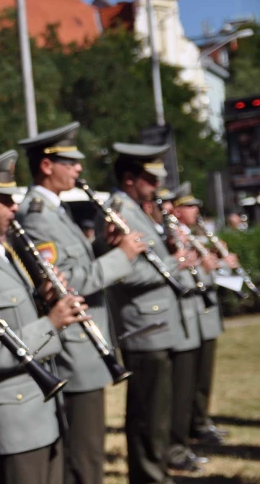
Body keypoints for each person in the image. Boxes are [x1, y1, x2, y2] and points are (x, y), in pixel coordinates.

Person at [14, 123, 146, 484]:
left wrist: (106, 245)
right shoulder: (37, 214)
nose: (78, 169)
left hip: (85, 344)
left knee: (89, 452)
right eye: (70, 161)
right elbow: (63, 283)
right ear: (46, 165)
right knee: (84, 458)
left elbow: (77, 267)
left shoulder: (54, 210)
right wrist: (122, 256)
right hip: (74, 348)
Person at [0, 149, 87, 484]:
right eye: (5, 200)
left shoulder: (2, 252)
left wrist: (45, 300)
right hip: (14, 423)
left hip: (40, 412)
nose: (14, 207)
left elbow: (17, 322)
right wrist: (51, 322)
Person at [93, 143, 189, 484]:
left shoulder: (137, 209)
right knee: (149, 414)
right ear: (130, 179)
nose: (156, 185)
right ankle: (149, 476)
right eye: (149, 178)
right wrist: (176, 265)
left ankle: (156, 471)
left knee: (158, 413)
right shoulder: (117, 210)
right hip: (143, 326)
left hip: (157, 323)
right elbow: (125, 272)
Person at [150, 184, 209, 472]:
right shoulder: (157, 233)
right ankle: (173, 450)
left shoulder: (170, 232)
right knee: (172, 394)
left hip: (184, 317)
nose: (170, 210)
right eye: (165, 204)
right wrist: (178, 258)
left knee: (184, 390)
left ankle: (179, 446)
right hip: (167, 320)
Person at [171, 183, 228, 446]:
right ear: (178, 210)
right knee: (189, 380)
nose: (196, 211)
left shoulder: (194, 235)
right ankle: (193, 425)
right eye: (190, 206)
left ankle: (200, 420)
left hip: (203, 312)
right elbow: (183, 275)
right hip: (190, 313)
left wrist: (218, 263)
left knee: (202, 375)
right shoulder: (173, 237)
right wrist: (208, 268)